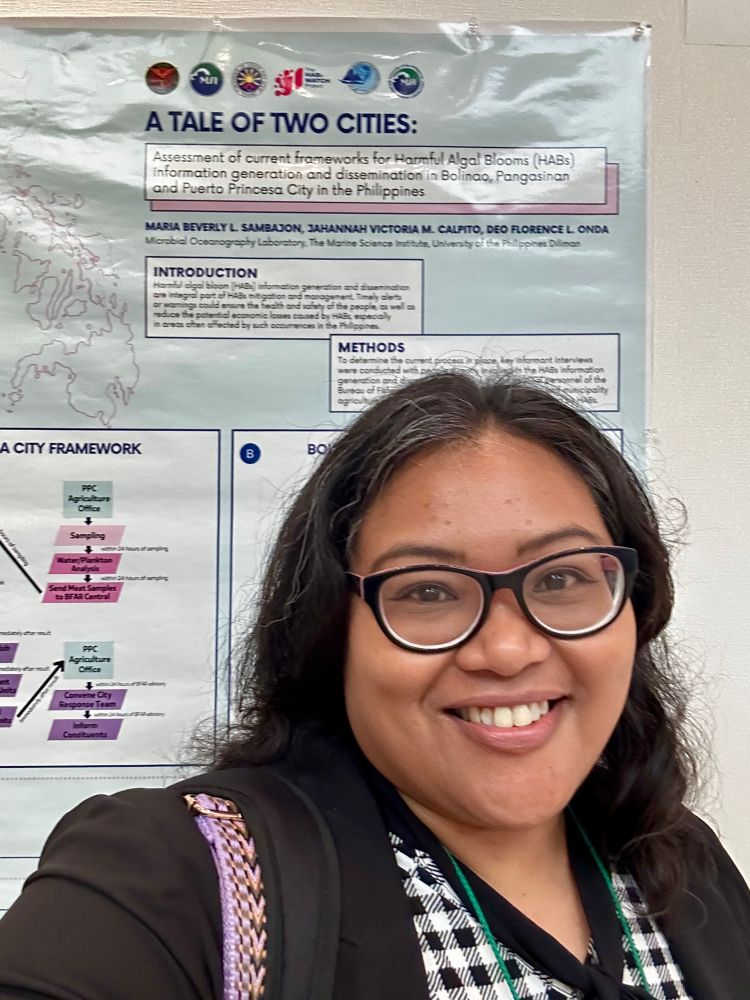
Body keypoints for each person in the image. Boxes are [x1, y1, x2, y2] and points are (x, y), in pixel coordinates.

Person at [0, 372, 748, 1000]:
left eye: (561, 578)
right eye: (427, 591)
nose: (509, 648)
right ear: (333, 632)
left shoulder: (681, 864)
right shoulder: (176, 878)